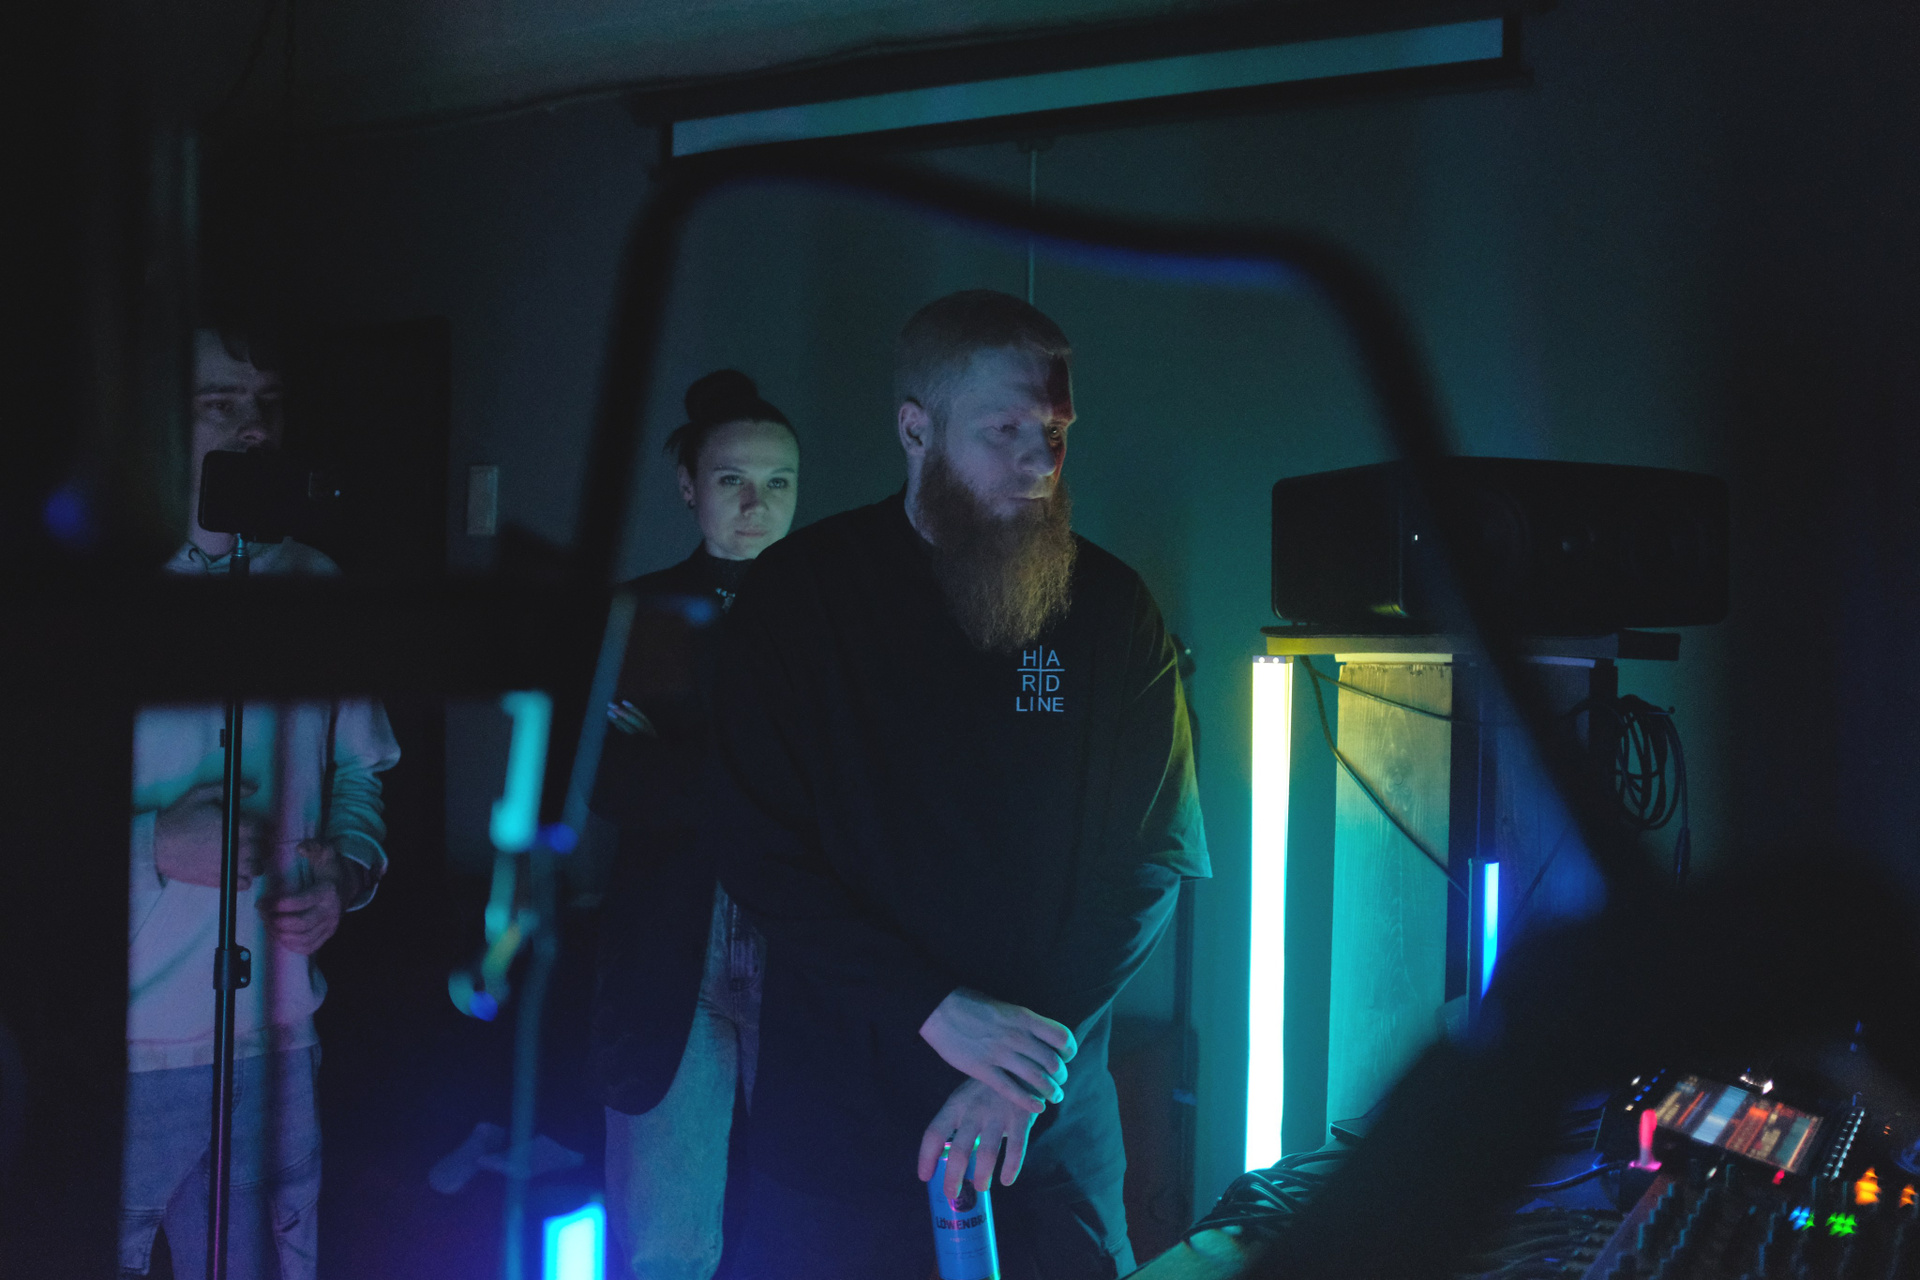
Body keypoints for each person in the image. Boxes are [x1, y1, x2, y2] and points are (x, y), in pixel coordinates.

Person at [707, 290, 1209, 1279]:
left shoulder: (1112, 607)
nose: (1040, 459)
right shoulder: (796, 596)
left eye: (1056, 429)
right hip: (842, 1120)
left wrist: (1018, 1069)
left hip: (1047, 1120)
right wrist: (935, 1006)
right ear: (915, 429)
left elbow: (1153, 854)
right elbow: (752, 842)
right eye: (1004, 429)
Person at [121, 326, 401, 1279]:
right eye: (220, 403)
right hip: (122, 1048)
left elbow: (360, 770)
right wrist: (155, 846)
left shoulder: (314, 586)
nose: (251, 426)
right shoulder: (89, 593)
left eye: (267, 404)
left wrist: (345, 874)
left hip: (274, 1042)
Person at [590, 369, 801, 1280]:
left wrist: (678, 752)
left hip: (802, 932)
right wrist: (762, 769)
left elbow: (847, 783)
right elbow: (606, 782)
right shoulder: (636, 612)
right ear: (689, 487)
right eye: (731, 480)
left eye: (778, 482)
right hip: (664, 938)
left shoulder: (835, 615)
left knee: (811, 1215)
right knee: (664, 1235)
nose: (757, 504)